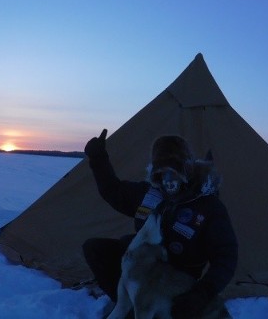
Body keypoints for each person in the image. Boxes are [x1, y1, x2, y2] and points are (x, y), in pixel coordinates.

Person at [82, 129, 238, 318]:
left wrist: (203, 292)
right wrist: (98, 160)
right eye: (161, 172)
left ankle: (151, 305)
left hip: (175, 277)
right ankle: (128, 304)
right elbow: (114, 192)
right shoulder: (150, 193)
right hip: (146, 262)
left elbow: (226, 256)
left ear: (186, 168)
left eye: (173, 170)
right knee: (98, 249)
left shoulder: (208, 206)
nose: (168, 179)